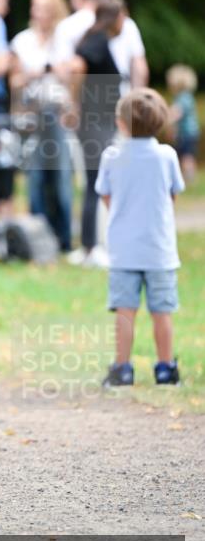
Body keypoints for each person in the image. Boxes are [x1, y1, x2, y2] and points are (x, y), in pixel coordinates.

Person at [96, 89, 185, 387]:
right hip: (160, 250)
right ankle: (165, 369)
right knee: (162, 312)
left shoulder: (111, 156)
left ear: (121, 124)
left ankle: (122, 369)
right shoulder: (167, 155)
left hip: (124, 250)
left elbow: (107, 197)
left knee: (125, 311)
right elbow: (171, 196)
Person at [10, 0, 72, 251]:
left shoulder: (66, 40)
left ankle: (65, 238)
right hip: (32, 113)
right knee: (34, 176)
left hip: (58, 112)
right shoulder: (22, 41)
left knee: (60, 177)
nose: (37, 13)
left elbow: (73, 76)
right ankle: (39, 238)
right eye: (35, 7)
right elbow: (14, 81)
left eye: (44, 8)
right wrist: (34, 74)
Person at [68, 0, 125, 268]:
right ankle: (92, 247)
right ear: (116, 17)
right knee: (96, 182)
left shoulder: (96, 38)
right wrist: (74, 105)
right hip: (95, 122)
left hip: (98, 122)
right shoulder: (98, 40)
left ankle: (90, 244)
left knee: (94, 181)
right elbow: (77, 67)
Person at [54, 0, 149, 90]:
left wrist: (73, 102)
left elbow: (67, 69)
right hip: (122, 94)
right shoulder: (126, 23)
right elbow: (140, 67)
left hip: (90, 97)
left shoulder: (67, 26)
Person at [166, 64, 200, 184]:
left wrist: (165, 120)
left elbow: (175, 113)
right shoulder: (187, 96)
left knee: (187, 157)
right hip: (191, 132)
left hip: (186, 133)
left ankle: (189, 181)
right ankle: (189, 180)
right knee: (187, 156)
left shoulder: (182, 98)